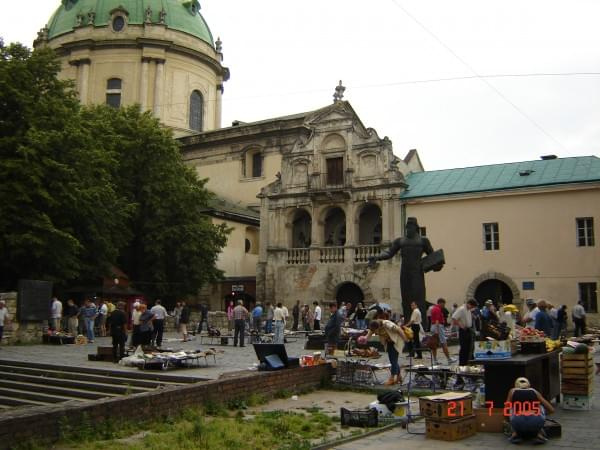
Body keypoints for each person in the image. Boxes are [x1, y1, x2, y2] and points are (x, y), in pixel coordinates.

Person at [369, 217, 443, 319]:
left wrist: (437, 265)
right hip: (405, 273)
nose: (408, 229)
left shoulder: (423, 241)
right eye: (407, 227)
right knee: (406, 299)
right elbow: (389, 252)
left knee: (419, 298)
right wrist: (377, 257)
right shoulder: (400, 241)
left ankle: (421, 323)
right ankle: (408, 322)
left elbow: (432, 257)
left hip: (417, 273)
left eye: (410, 226)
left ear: (415, 227)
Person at [506, 377, 554, 444]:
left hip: (518, 422)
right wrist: (543, 415)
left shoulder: (512, 391)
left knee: (511, 408)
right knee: (540, 406)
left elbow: (506, 409)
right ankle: (538, 434)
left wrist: (508, 421)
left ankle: (515, 433)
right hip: (536, 422)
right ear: (528, 384)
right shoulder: (534, 391)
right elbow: (551, 410)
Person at [367, 319, 408, 385]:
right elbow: (369, 334)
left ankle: (392, 379)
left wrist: (405, 340)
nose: (375, 332)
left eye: (375, 330)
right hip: (389, 343)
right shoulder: (374, 326)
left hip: (396, 342)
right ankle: (399, 376)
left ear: (379, 327)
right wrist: (364, 339)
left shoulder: (387, 324)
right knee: (393, 360)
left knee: (393, 361)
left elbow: (399, 329)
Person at [452, 300, 478, 376]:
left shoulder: (468, 310)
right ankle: (462, 365)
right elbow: (454, 318)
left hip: (468, 330)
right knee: (464, 348)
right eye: (472, 306)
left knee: (469, 348)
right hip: (464, 330)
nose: (472, 308)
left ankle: (468, 363)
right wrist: (461, 326)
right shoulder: (461, 309)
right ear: (469, 304)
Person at [431, 298, 456, 364]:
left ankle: (435, 360)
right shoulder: (438, 309)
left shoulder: (433, 308)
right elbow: (437, 320)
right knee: (444, 343)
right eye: (443, 304)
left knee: (434, 344)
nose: (444, 306)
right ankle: (449, 359)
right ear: (440, 303)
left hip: (434, 326)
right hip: (438, 326)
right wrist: (437, 330)